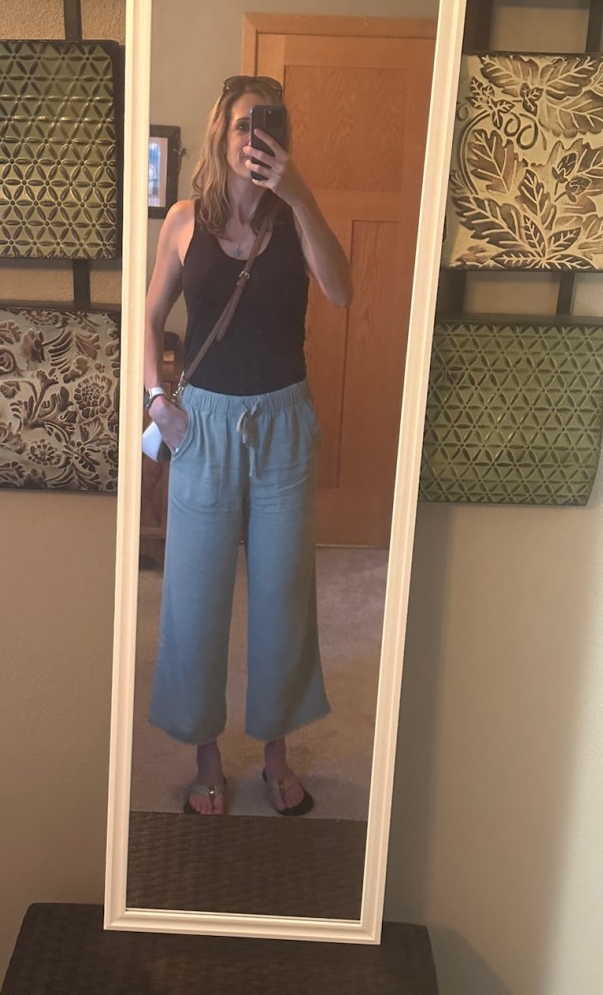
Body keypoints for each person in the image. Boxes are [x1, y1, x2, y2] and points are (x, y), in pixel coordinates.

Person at [143, 75, 352, 816]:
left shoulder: (297, 218)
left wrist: (300, 196)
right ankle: (206, 756)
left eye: (269, 125)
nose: (254, 138)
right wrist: (156, 400)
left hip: (283, 425)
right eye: (242, 124)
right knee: (194, 595)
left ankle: (275, 754)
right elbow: (149, 319)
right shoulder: (182, 220)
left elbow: (341, 291)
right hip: (201, 425)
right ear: (220, 133)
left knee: (282, 595)